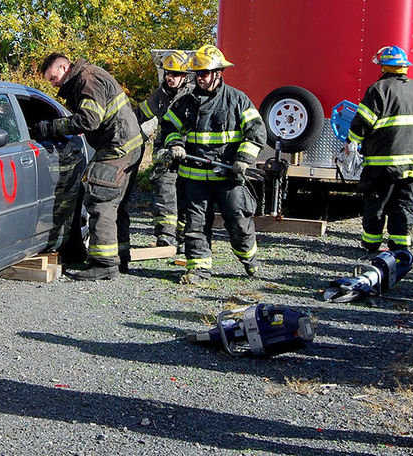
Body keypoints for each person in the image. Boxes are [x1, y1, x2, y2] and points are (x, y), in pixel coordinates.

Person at [159, 44, 267, 284]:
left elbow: (257, 132)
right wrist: (175, 143)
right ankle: (198, 270)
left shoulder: (237, 100)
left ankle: (249, 259)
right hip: (195, 177)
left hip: (228, 177)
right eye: (197, 74)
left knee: (238, 223)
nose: (200, 78)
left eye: (204, 73)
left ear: (218, 73)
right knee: (195, 225)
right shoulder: (185, 102)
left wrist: (243, 159)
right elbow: (168, 126)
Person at [34, 53, 144, 280]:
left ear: (64, 67)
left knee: (100, 201)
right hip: (129, 145)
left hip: (116, 148)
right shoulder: (87, 75)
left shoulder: (87, 79)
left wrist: (52, 128)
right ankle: (120, 259)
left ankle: (104, 264)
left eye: (53, 77)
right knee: (116, 204)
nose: (53, 83)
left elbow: (89, 120)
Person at [346, 45, 413, 253]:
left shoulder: (378, 89)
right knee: (404, 205)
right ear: (404, 67)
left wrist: (351, 142)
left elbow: (362, 123)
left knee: (376, 204)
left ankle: (371, 244)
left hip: (381, 164)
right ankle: (400, 247)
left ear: (384, 66)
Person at [140, 51, 195, 250]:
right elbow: (140, 114)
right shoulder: (160, 95)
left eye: (175, 74)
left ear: (186, 76)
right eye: (168, 74)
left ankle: (183, 237)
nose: (170, 78)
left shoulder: (194, 95)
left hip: (189, 154)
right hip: (165, 153)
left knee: (187, 196)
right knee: (165, 192)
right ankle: (165, 236)